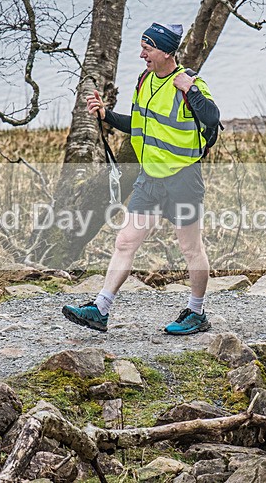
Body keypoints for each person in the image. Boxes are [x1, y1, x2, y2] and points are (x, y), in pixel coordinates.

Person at [62, 22, 220, 335]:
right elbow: (141, 123)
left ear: (165, 51)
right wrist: (107, 116)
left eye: (147, 49)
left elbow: (213, 117)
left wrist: (190, 90)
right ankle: (100, 309)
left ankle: (196, 312)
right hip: (150, 179)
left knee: (190, 248)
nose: (142, 54)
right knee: (125, 241)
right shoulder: (145, 80)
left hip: (183, 179)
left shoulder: (188, 82)